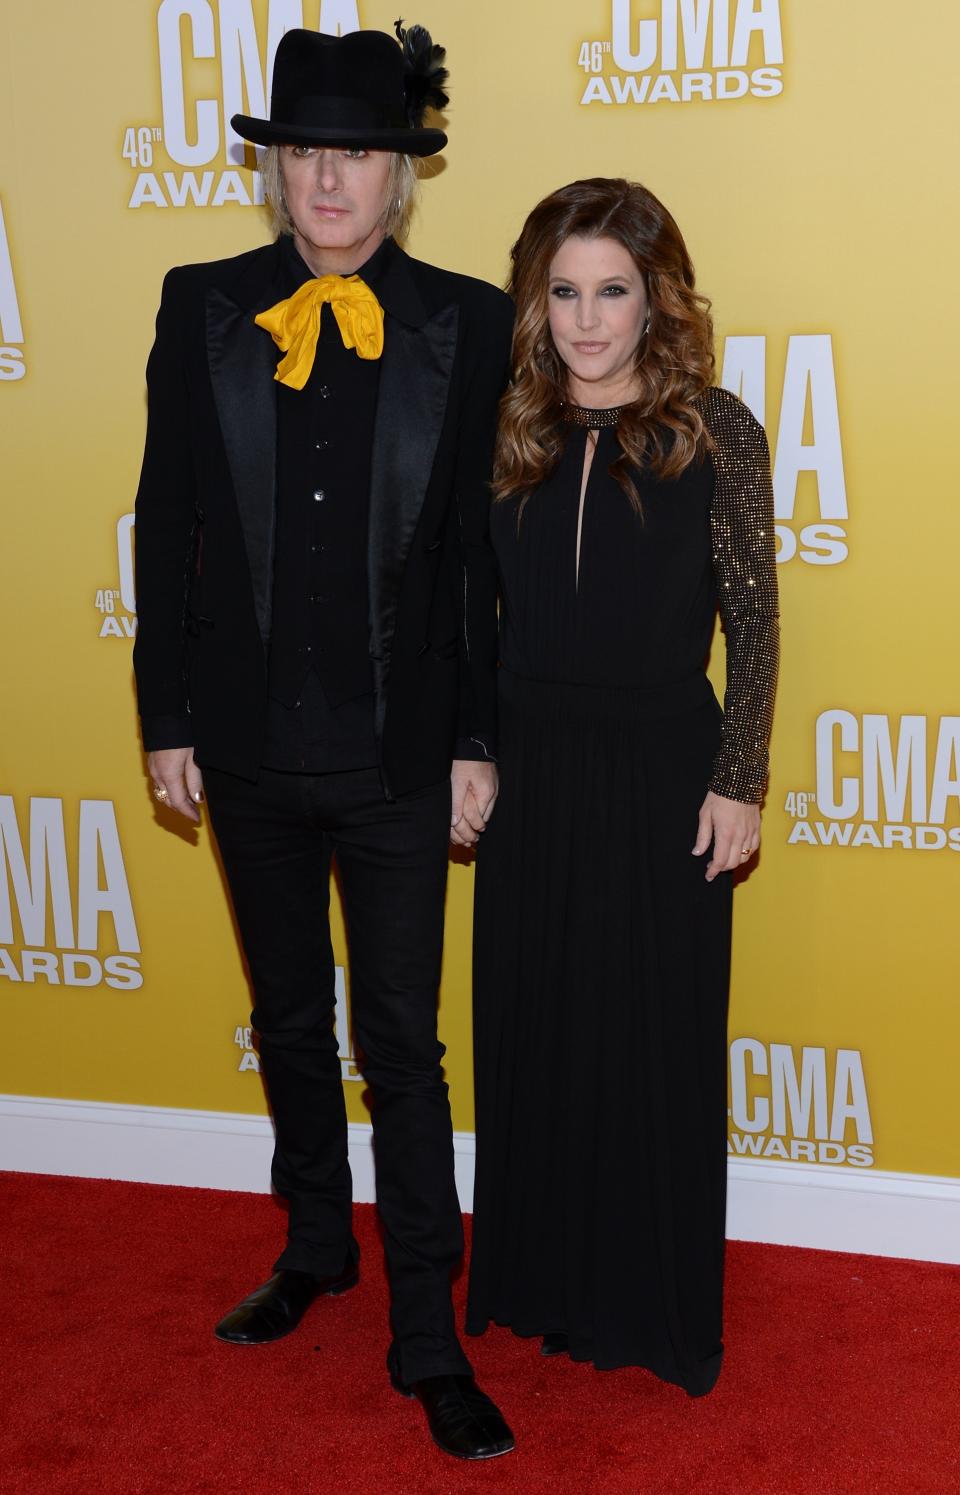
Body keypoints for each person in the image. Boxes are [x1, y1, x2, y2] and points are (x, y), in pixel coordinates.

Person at [133, 24, 515, 1461]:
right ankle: (313, 1248)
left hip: (401, 750)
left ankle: (430, 1332)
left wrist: (478, 736)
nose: (329, 178)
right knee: (287, 1017)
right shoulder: (204, 303)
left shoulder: (463, 322)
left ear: (400, 175)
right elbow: (166, 516)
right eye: (305, 151)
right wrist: (164, 715)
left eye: (356, 151)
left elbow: (478, 554)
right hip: (241, 745)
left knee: (399, 1044)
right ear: (275, 169)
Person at [466, 178, 779, 1397]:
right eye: (564, 291)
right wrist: (467, 748)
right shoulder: (502, 426)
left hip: (663, 767)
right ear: (535, 302)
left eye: (613, 290)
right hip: (529, 771)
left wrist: (739, 775)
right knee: (536, 1028)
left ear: (656, 300)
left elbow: (753, 622)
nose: (587, 320)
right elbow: (463, 615)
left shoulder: (717, 428)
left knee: (653, 1039)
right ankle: (538, 1281)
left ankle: (649, 1306)